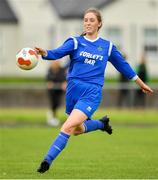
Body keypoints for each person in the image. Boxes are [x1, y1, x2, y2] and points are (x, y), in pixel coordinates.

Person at [35, 8, 153, 173]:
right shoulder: (75, 42)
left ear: (99, 24)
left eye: (91, 20)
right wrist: (44, 53)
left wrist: (140, 83)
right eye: (85, 20)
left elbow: (123, 66)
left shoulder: (107, 46)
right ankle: (100, 124)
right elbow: (57, 53)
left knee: (67, 126)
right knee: (75, 130)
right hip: (73, 91)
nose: (88, 23)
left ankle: (46, 161)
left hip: (92, 92)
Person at [46, 60, 67, 126]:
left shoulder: (62, 70)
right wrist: (50, 83)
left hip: (60, 90)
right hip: (52, 91)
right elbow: (48, 79)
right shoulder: (50, 69)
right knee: (53, 104)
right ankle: (52, 118)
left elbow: (64, 78)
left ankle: (68, 118)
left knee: (59, 103)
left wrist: (64, 83)